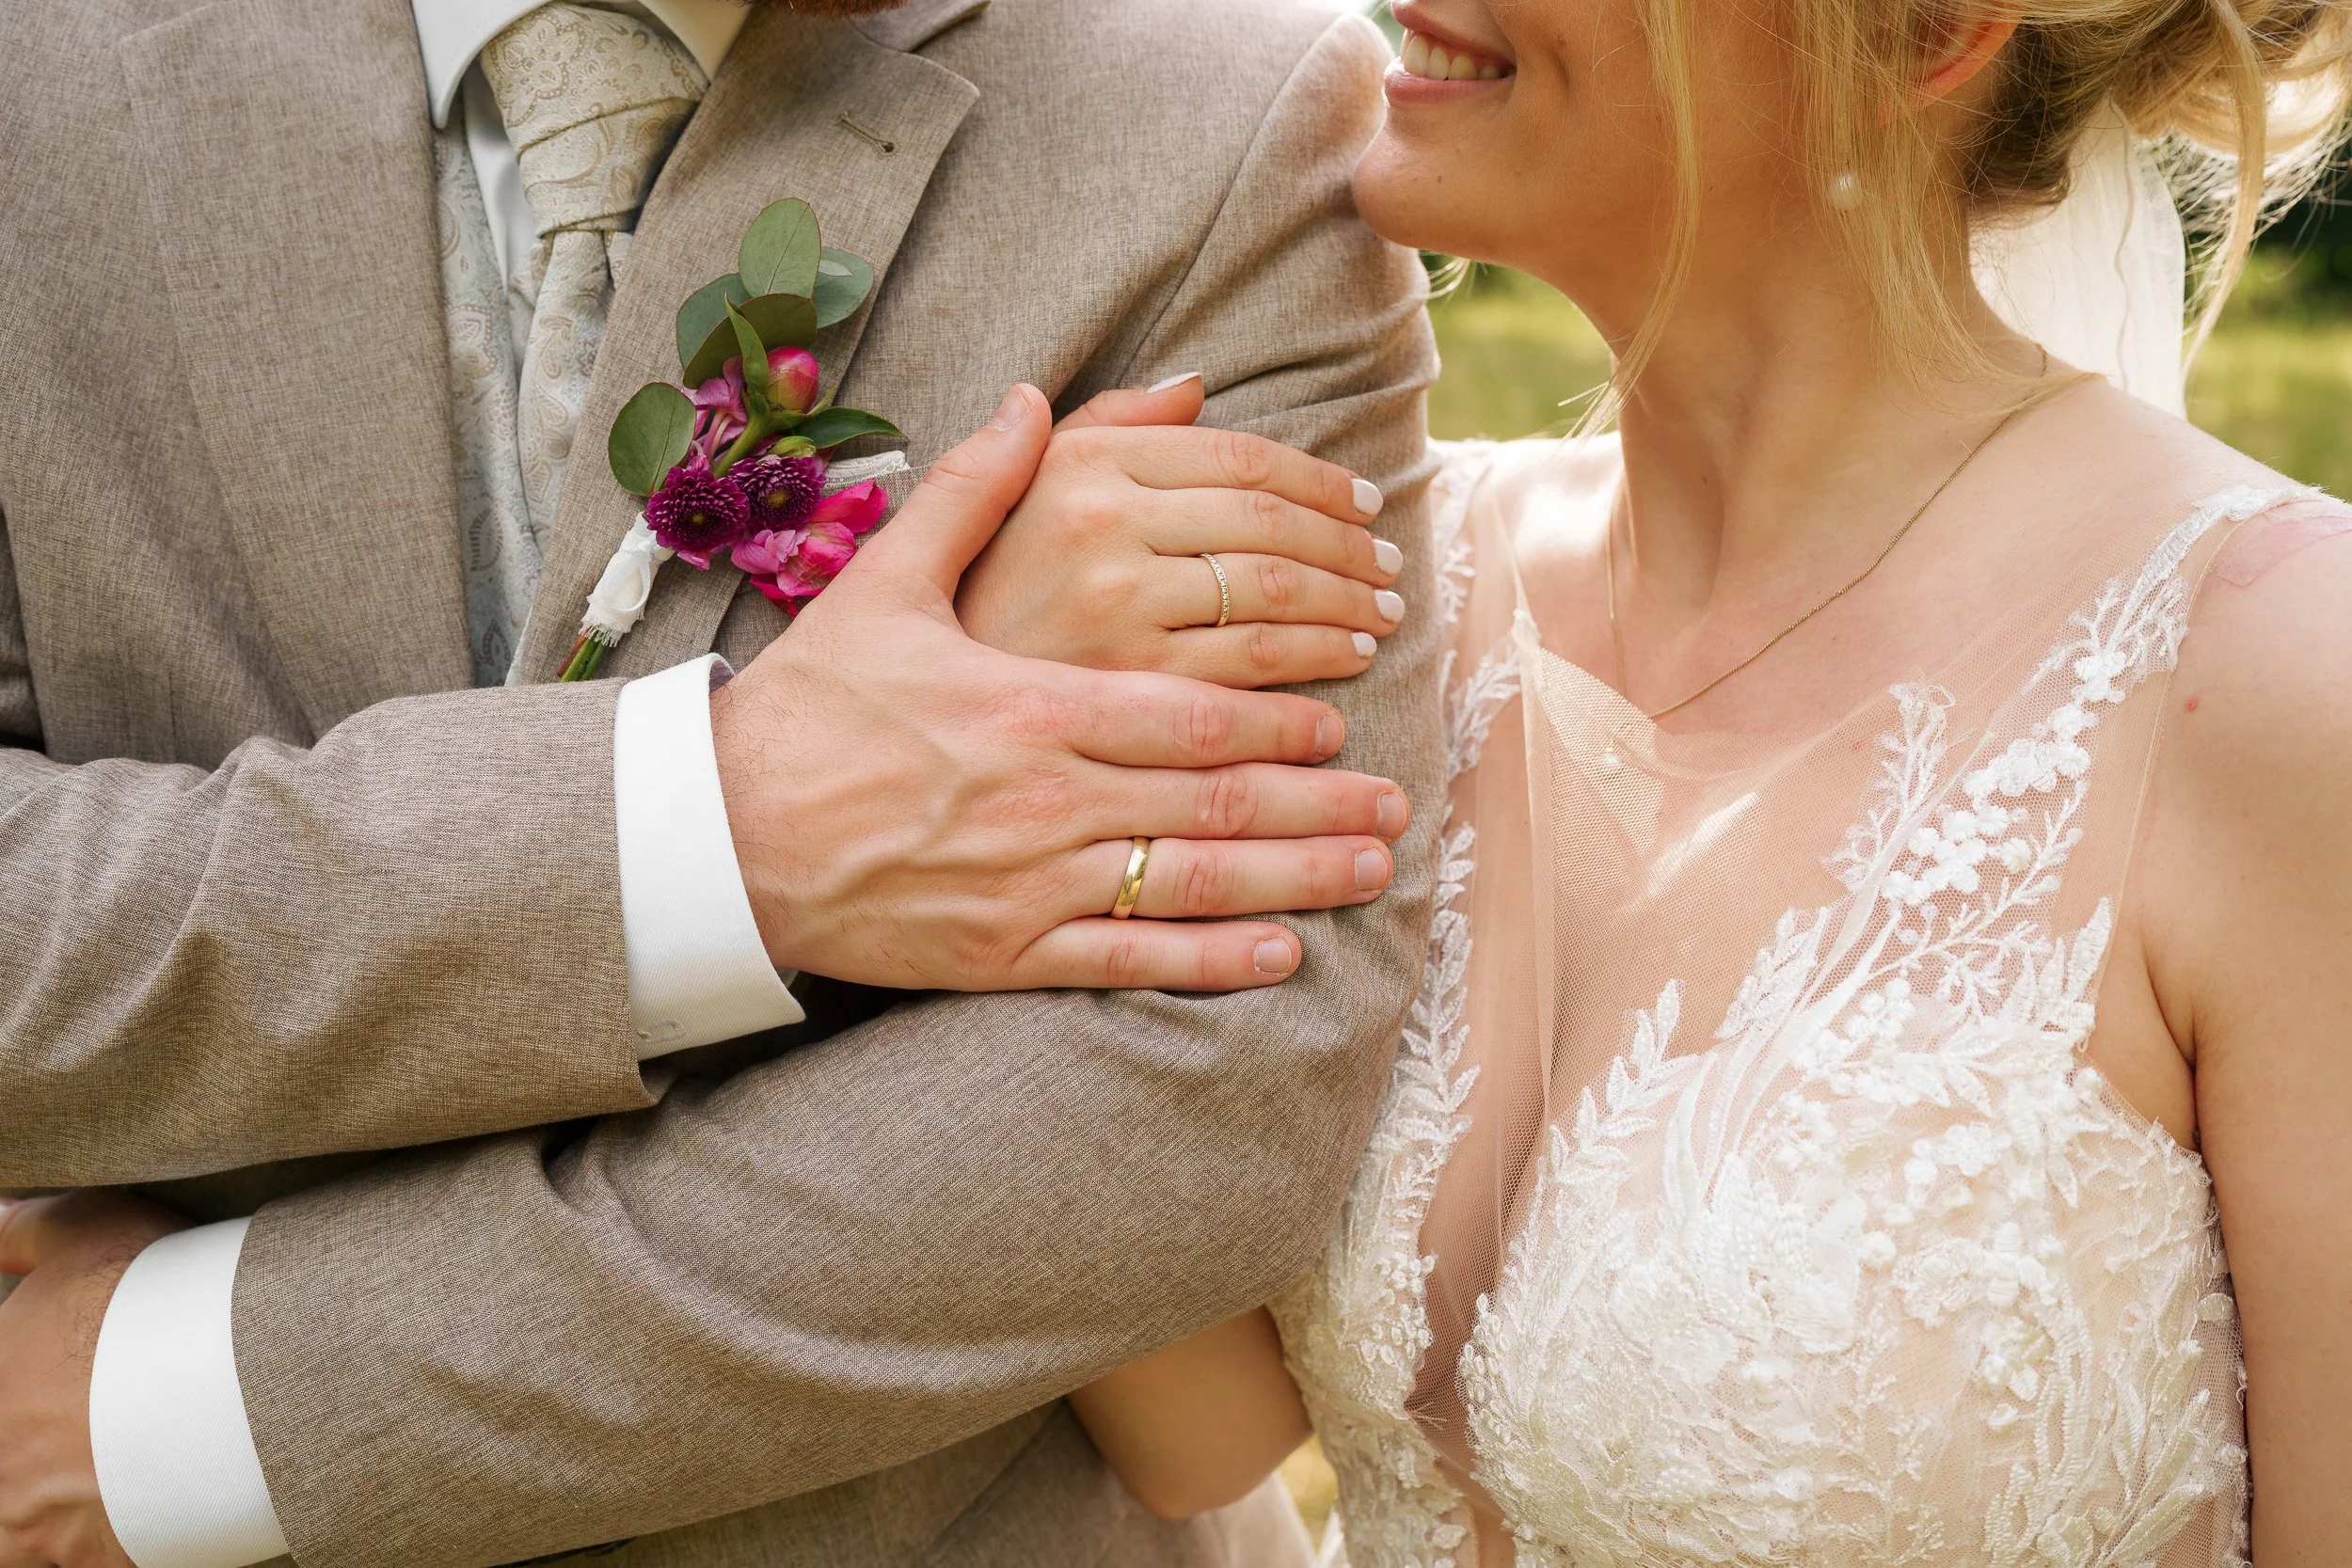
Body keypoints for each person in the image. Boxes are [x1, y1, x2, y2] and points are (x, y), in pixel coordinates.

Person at [0, 0, 1441, 1564]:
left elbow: (1203, 1098)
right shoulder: (39, 78)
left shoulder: (1236, 117)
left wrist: (201, 1404)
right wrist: (711, 823)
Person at [1062, 0, 2352, 1560]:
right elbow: (1196, 1426)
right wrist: (1039, 723)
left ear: (1926, 31)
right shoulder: (1387, 597)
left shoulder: (2275, 682)